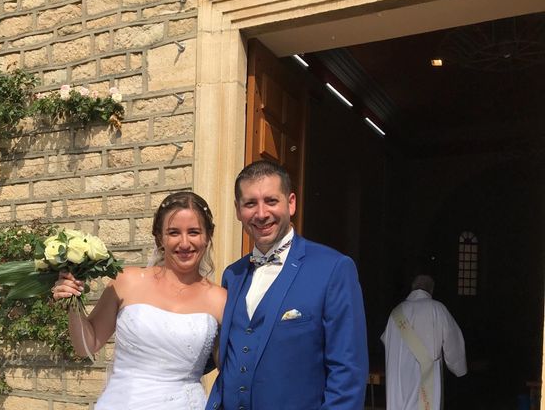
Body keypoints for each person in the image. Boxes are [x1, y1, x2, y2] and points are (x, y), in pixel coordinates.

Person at [206, 160, 369, 410]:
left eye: (271, 201)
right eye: (250, 203)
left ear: (291, 203)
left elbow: (347, 372)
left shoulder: (333, 269)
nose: (261, 214)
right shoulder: (233, 275)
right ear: (238, 210)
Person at [52, 191, 227, 409]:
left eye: (193, 232)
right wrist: (73, 304)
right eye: (173, 232)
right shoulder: (127, 281)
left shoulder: (220, 299)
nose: (184, 243)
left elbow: (231, 372)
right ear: (159, 237)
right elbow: (88, 345)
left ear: (207, 236)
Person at [381, 274, 467, 410]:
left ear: (413, 288)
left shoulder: (395, 313)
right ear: (431, 290)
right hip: (423, 378)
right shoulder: (437, 309)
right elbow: (453, 341)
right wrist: (458, 368)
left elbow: (386, 340)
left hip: (398, 379)